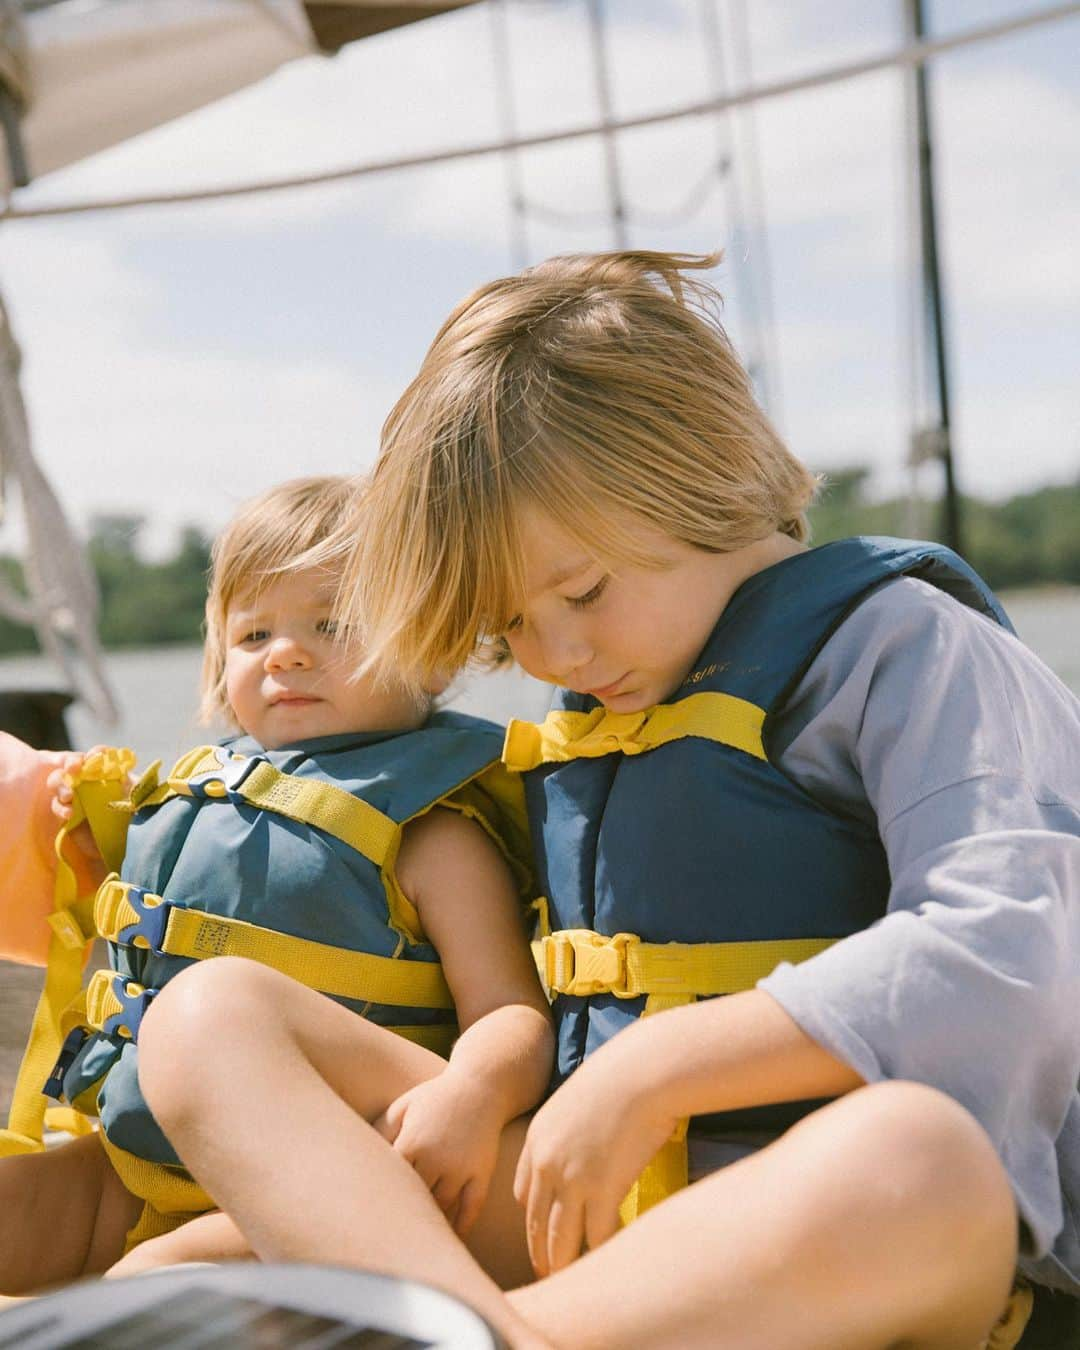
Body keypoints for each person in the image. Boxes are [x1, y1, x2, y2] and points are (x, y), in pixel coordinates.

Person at [134, 253, 1080, 1350]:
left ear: (700, 472)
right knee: (205, 1038)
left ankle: (474, 1330)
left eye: (581, 591)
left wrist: (650, 1068)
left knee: (920, 1158)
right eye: (510, 627)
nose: (557, 651)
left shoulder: (908, 647)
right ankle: (483, 1332)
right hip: (602, 1208)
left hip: (839, 1223)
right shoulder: (601, 705)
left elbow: (1010, 951)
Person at [0, 474, 552, 1295]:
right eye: (253, 633)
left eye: (332, 624)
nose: (285, 653)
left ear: (434, 652)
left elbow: (512, 1012)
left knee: (152, 1280)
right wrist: (86, 825)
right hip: (154, 1163)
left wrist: (473, 1094)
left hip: (342, 1167)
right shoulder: (205, 787)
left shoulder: (433, 836)